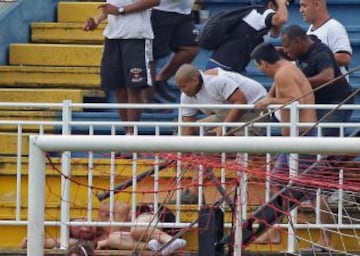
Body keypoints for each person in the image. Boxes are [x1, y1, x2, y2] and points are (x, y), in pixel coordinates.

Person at [250, 42, 335, 252]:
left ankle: (327, 239)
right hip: (296, 140)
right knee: (277, 180)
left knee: (314, 191)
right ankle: (275, 229)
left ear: (264, 63)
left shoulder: (283, 74)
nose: (260, 70)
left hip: (303, 139)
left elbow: (294, 100)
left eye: (259, 66)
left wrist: (270, 100)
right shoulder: (288, 67)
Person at [173, 63, 268, 202]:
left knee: (213, 144)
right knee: (194, 136)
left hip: (253, 109)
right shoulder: (186, 96)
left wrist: (224, 127)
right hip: (226, 111)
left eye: (184, 86)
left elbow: (241, 102)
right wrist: (181, 151)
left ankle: (194, 190)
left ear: (195, 80)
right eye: (180, 87)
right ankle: (195, 191)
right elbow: (188, 126)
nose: (182, 90)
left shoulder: (217, 82)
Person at [82, 0, 160, 135]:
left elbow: (154, 1)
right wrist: (98, 19)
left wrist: (120, 11)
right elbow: (113, 6)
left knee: (134, 88)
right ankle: (126, 135)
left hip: (137, 36)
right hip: (113, 36)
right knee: (119, 88)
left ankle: (131, 137)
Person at [21, 201, 186, 255]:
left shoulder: (103, 218)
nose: (85, 229)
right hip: (148, 237)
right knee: (115, 239)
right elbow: (61, 241)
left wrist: (110, 233)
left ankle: (170, 241)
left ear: (85, 218)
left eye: (83, 224)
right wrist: (33, 241)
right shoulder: (92, 241)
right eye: (80, 232)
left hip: (152, 215)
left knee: (134, 230)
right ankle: (163, 247)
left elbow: (123, 206)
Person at [280, 25, 354, 137]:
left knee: (322, 140)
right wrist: (275, 51)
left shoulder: (320, 53)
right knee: (307, 138)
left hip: (335, 102)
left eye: (287, 46)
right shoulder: (304, 46)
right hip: (317, 102)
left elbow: (328, 77)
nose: (285, 50)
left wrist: (301, 83)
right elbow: (292, 54)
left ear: (297, 42)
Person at [205, 0, 288, 74]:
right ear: (270, 5)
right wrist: (281, 2)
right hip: (223, 68)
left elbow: (275, 33)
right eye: (284, 6)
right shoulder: (262, 13)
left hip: (226, 66)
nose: (284, 10)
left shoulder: (258, 19)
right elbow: (282, 19)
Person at [148, 0, 200, 104]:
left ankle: (161, 79)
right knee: (152, 56)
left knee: (192, 48)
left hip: (184, 12)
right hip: (160, 11)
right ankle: (149, 97)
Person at [299, 0, 352, 81]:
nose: (300, 10)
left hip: (335, 91)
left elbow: (345, 57)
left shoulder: (334, 27)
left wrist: (315, 59)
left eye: (304, 6)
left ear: (316, 5)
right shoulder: (310, 29)